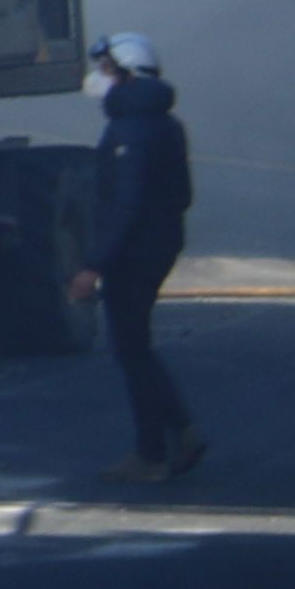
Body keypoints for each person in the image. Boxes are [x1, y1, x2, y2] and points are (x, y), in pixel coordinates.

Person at [67, 31, 204, 481]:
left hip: (134, 254)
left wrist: (93, 265)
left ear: (126, 73)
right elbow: (182, 195)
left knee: (131, 350)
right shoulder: (165, 123)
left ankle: (152, 452)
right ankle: (180, 432)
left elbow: (123, 205)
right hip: (157, 246)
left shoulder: (130, 129)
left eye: (107, 69)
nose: (99, 78)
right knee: (135, 348)